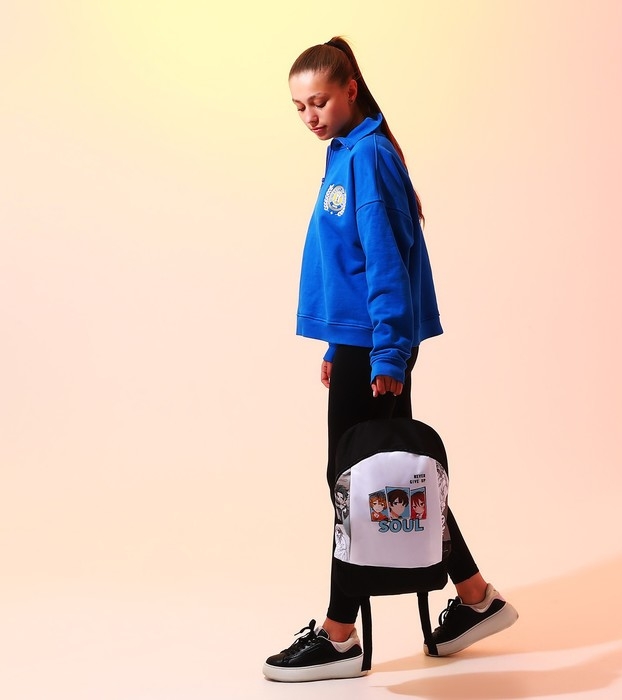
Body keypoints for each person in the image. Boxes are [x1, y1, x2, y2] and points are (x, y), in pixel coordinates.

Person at [263, 36, 518, 683]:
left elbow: (385, 264)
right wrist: (336, 343)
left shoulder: (369, 156)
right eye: (299, 107)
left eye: (320, 101)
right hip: (360, 342)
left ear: (350, 89)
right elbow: (347, 264)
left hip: (377, 346)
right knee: (387, 477)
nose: (310, 116)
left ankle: (339, 634)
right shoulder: (344, 152)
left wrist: (388, 354)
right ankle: (475, 597)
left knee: (355, 481)